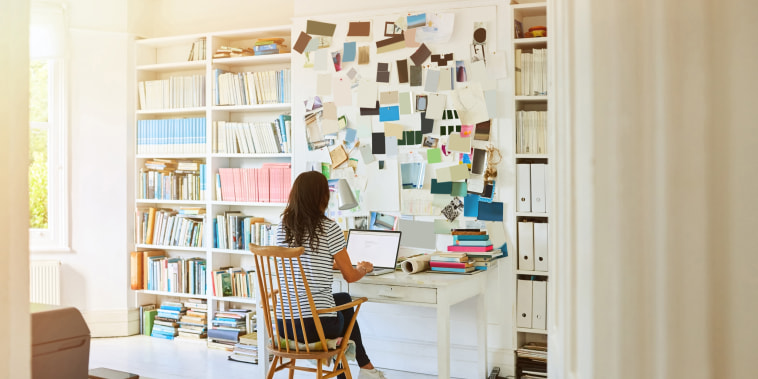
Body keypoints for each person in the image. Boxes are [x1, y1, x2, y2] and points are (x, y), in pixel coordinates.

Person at [275, 171, 387, 379]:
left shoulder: (282, 227)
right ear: (322, 197)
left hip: (284, 325)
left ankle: (363, 369)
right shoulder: (329, 228)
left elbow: (301, 262)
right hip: (313, 329)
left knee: (342, 300)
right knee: (345, 306)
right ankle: (366, 369)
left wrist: (327, 264)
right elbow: (351, 277)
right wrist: (363, 268)